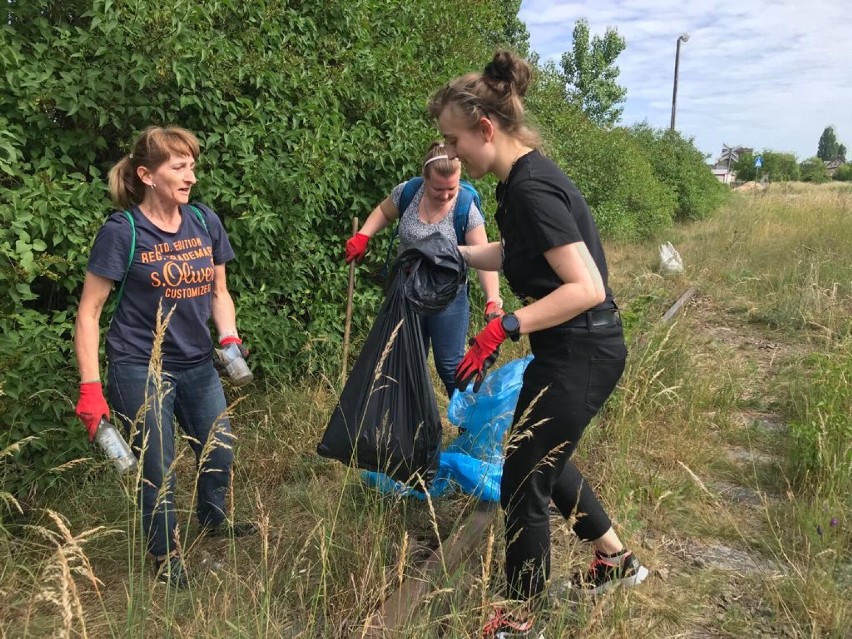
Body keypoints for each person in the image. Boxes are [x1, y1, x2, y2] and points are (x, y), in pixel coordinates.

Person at [428, 52, 648, 636]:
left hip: (584, 349)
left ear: (485, 129)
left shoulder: (530, 189)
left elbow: (587, 286)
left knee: (524, 475)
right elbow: (520, 253)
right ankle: (615, 560)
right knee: (542, 454)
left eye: (453, 141)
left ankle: (518, 619)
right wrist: (456, 252)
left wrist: (505, 324)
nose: (450, 155)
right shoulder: (518, 181)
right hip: (570, 350)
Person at [73, 126, 255, 589]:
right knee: (157, 464)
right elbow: (90, 312)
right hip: (140, 364)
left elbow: (220, 291)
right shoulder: (124, 231)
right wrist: (90, 389)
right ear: (147, 175)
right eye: (179, 166)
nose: (190, 175)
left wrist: (229, 337)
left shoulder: (204, 221)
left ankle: (213, 520)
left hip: (197, 362)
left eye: (192, 165)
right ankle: (166, 555)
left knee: (221, 451)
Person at [345, 142, 503, 399]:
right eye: (437, 188)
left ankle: (471, 429)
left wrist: (492, 299)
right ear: (424, 178)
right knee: (402, 361)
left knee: (450, 365)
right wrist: (364, 235)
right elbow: (384, 212)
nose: (444, 195)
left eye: (451, 188)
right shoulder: (407, 192)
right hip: (406, 292)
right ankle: (407, 431)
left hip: (448, 299)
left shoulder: (465, 208)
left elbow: (483, 257)